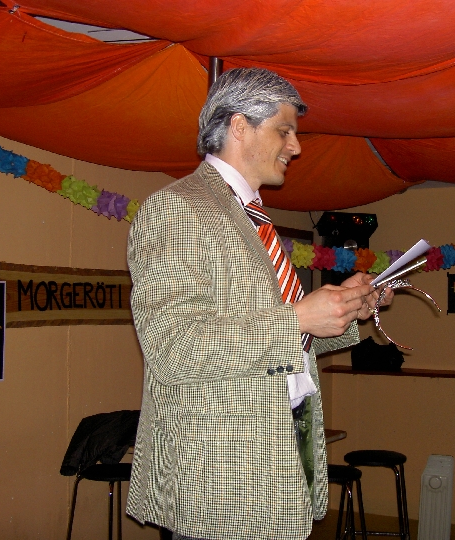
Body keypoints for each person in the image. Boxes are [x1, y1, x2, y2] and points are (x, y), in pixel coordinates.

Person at [125, 68, 391, 540]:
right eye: (284, 130)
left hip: (279, 451)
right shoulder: (179, 208)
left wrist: (347, 309)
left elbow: (277, 343)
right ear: (239, 126)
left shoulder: (252, 218)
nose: (296, 147)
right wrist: (298, 317)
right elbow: (172, 346)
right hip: (221, 474)